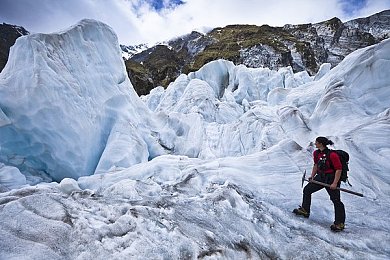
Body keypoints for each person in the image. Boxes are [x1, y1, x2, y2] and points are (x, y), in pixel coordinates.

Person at [293, 136, 346, 232]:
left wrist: (334, 183)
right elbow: (316, 165)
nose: (315, 143)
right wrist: (312, 176)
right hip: (321, 176)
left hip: (331, 178)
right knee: (307, 190)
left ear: (321, 144)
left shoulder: (332, 155)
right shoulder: (316, 153)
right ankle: (305, 210)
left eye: (316, 142)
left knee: (336, 200)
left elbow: (338, 169)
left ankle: (340, 223)